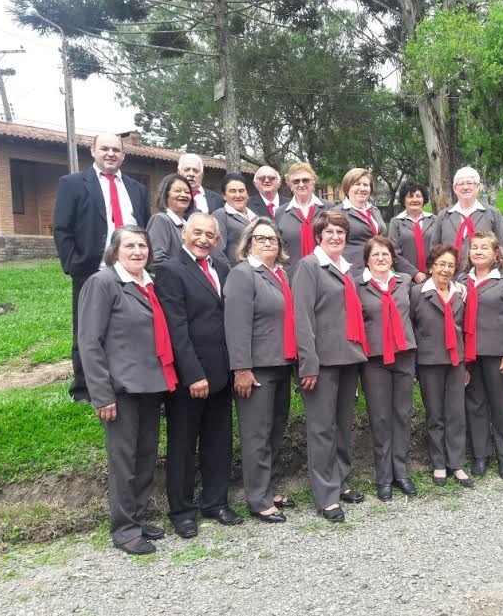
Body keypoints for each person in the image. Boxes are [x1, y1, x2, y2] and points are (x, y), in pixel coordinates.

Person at [77, 226, 177, 555]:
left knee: (145, 457)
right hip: (120, 390)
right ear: (114, 251)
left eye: (142, 246)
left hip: (151, 385)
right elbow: (89, 342)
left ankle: (137, 517)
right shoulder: (103, 283)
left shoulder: (150, 284)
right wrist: (101, 394)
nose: (137, 251)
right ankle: (124, 529)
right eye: (130, 246)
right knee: (123, 461)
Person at [154, 213, 242, 539]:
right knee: (183, 446)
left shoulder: (222, 268)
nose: (204, 240)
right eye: (197, 233)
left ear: (217, 241)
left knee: (219, 442)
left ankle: (215, 502)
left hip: (221, 372)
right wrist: (193, 374)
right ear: (184, 235)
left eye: (210, 235)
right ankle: (182, 511)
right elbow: (175, 328)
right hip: (190, 377)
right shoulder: (170, 271)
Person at [54, 133, 150, 403]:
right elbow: (62, 229)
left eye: (116, 150)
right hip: (91, 269)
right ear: (93, 151)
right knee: (87, 329)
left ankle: (130, 378)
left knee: (133, 326)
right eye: (105, 148)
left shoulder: (136, 189)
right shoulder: (73, 184)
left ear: (123, 155)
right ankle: (84, 388)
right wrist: (74, 266)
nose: (110, 154)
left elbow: (144, 226)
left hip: (131, 270)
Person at [292, 211, 369, 522]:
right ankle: (326, 496)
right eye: (329, 232)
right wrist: (308, 363)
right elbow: (302, 317)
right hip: (322, 362)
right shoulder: (309, 266)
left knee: (341, 426)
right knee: (322, 429)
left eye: (340, 232)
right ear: (318, 236)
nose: (335, 237)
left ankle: (340, 481)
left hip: (348, 357)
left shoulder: (345, 268)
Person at [224, 218, 296, 523]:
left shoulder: (280, 274)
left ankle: (269, 488)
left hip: (281, 363)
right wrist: (241, 368)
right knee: (256, 435)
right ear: (248, 243)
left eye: (272, 239)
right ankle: (257, 498)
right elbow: (236, 324)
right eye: (260, 238)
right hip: (256, 370)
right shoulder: (243, 274)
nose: (267, 243)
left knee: (274, 431)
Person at [461, 231, 503, 479]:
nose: (478, 251)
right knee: (475, 406)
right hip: (470, 356)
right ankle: (481, 456)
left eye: (484, 247)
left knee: (500, 407)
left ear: (496, 253)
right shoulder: (461, 281)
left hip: (499, 356)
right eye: (474, 247)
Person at [355, 237, 418, 501]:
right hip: (375, 359)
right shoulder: (357, 285)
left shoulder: (405, 282)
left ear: (393, 258)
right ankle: (383, 477)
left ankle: (400, 472)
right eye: (375, 255)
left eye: (385, 254)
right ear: (367, 260)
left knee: (402, 414)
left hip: (404, 355)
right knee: (380, 418)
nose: (381, 258)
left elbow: (417, 312)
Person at [410, 244, 472, 488]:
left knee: (456, 412)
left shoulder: (460, 293)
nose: (446, 269)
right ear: (431, 267)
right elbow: (411, 326)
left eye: (450, 265)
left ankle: (456, 463)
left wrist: (467, 363)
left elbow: (466, 327)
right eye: (441, 264)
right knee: (435, 413)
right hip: (429, 361)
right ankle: (438, 463)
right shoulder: (417, 293)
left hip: (456, 360)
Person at [431, 166, 503, 268]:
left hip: (484, 273)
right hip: (450, 274)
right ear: (455, 189)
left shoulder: (492, 213)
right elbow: (434, 249)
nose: (465, 187)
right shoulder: (443, 215)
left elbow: (502, 246)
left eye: (469, 183)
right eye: (461, 184)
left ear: (478, 186)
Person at [274, 162, 331, 275]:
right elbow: (278, 246)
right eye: (296, 181)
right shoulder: (280, 213)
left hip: (326, 274)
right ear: (290, 186)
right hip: (293, 275)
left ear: (313, 183)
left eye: (305, 180)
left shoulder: (329, 208)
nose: (301, 184)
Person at [388, 180, 438, 284]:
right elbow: (393, 253)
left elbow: (441, 248)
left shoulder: (434, 220)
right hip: (407, 279)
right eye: (410, 196)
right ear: (404, 200)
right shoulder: (396, 222)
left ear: (423, 199)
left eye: (418, 196)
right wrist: (414, 273)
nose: (415, 200)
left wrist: (435, 269)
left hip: (434, 276)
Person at [146, 174, 195, 268]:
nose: (184, 195)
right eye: (177, 191)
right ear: (165, 195)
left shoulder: (187, 224)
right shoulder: (161, 220)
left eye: (187, 192)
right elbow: (156, 260)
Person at [212, 173, 257, 267]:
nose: (238, 195)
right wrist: (230, 272)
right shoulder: (220, 215)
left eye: (241, 191)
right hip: (238, 271)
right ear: (224, 195)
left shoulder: (255, 217)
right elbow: (217, 251)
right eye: (232, 191)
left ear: (247, 194)